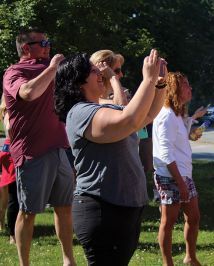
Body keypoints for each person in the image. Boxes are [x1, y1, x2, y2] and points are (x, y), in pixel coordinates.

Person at [54, 50, 165, 265]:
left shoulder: (101, 107)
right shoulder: (80, 112)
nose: (101, 74)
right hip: (102, 208)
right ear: (78, 83)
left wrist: (158, 84)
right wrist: (148, 79)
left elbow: (147, 115)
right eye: (94, 71)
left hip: (124, 207)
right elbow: (130, 119)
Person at [2, 28, 76, 266]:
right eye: (43, 42)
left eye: (48, 40)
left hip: (60, 148)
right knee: (28, 211)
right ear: (26, 48)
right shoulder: (15, 72)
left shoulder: (53, 69)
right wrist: (52, 68)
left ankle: (68, 259)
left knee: (64, 207)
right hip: (33, 152)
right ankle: (25, 264)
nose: (48, 46)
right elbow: (28, 92)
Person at [153, 72, 201, 266]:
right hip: (170, 176)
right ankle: (167, 262)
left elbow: (177, 138)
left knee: (194, 216)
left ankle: (190, 257)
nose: (190, 88)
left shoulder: (177, 114)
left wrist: (190, 131)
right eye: (186, 85)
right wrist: (180, 183)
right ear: (175, 89)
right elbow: (165, 154)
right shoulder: (165, 116)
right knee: (168, 221)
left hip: (184, 174)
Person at [0, 95, 18, 244]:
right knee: (13, 196)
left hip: (10, 150)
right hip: (13, 151)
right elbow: (9, 128)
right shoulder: (9, 111)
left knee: (11, 196)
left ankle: (11, 230)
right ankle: (13, 234)